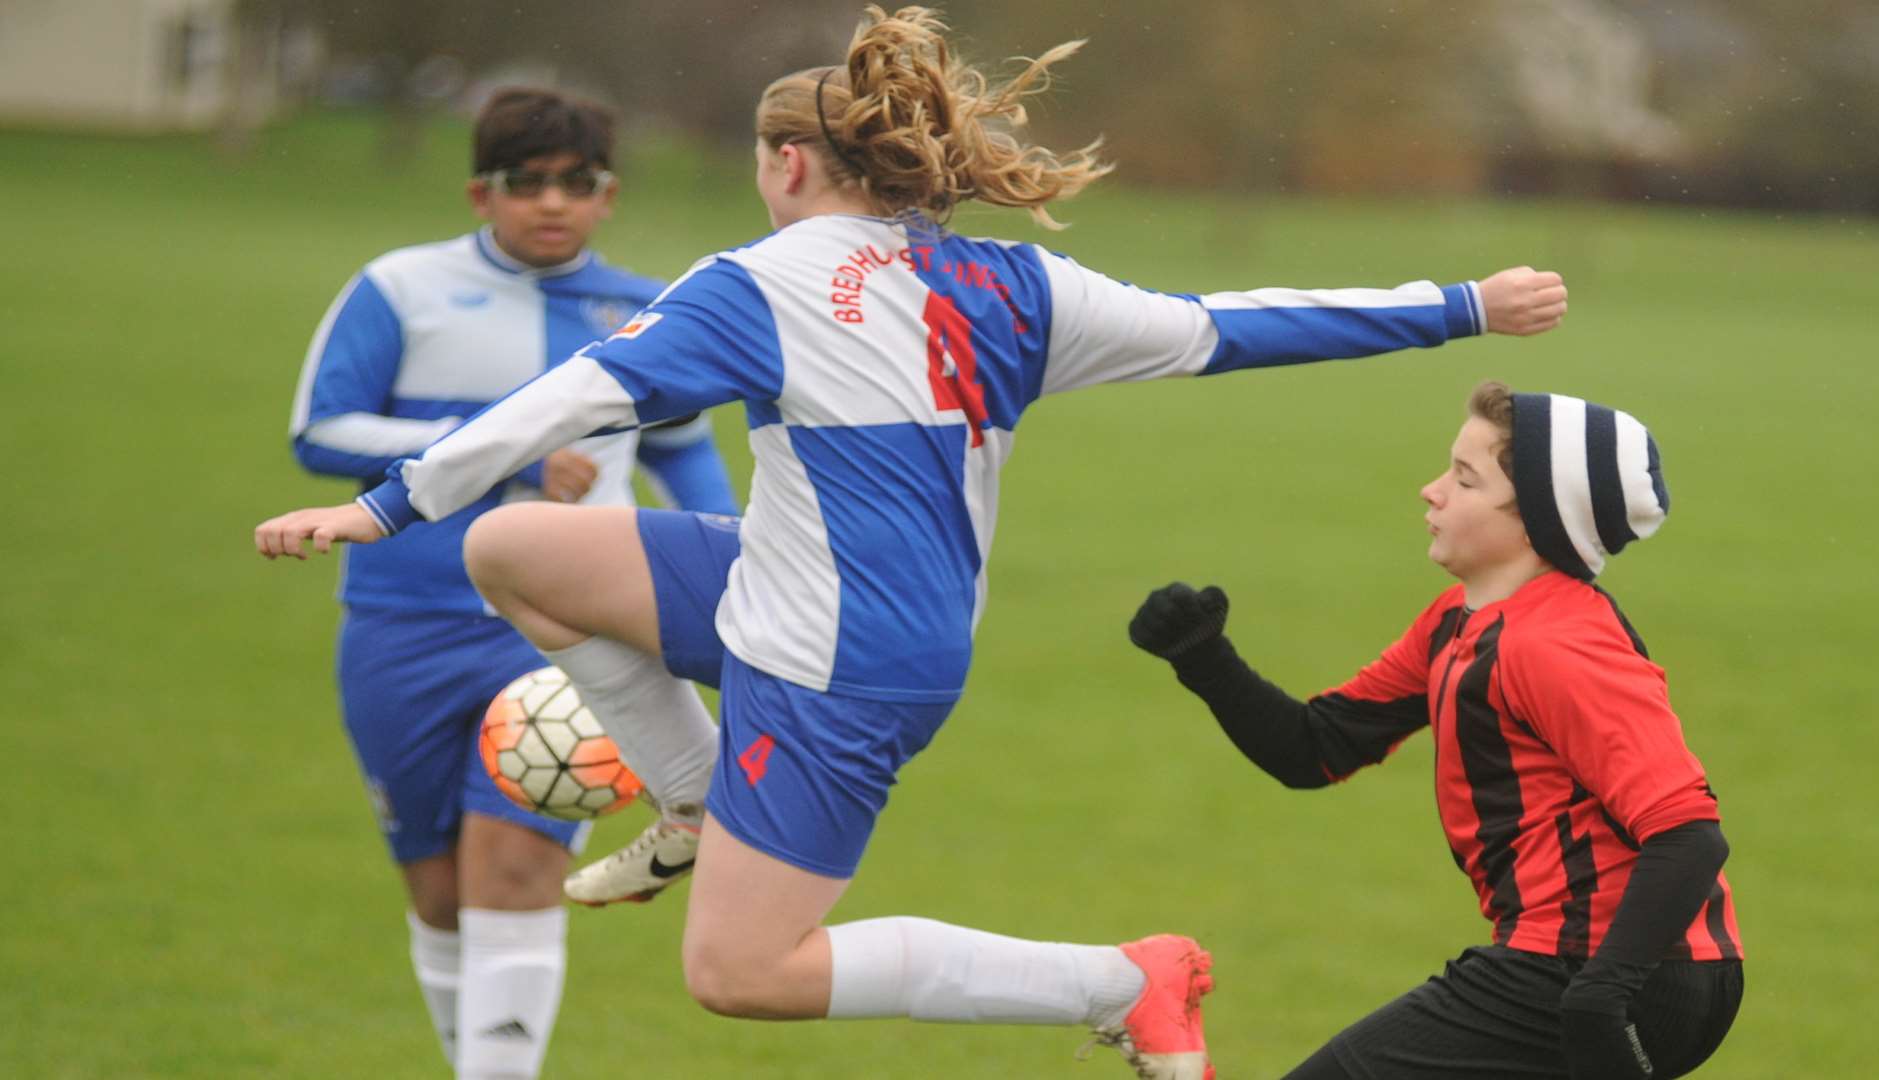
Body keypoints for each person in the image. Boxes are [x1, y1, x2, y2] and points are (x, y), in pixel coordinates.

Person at [256, 8, 1568, 1077]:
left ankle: (1125, 981)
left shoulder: (758, 280)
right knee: (520, 552)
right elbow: (1234, 326)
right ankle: (696, 796)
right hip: (810, 597)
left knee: (738, 974)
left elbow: (573, 398)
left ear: (785, 166)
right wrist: (1458, 304)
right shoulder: (1018, 283)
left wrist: (379, 506)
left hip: (841, 666)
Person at [285, 86, 738, 1080]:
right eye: (525, 184)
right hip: (398, 626)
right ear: (478, 193)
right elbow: (321, 433)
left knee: (518, 864)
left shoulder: (647, 312)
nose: (552, 203)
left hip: (560, 634)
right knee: (441, 895)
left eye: (577, 184)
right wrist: (484, 450)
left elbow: (690, 458)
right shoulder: (399, 288)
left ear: (609, 196)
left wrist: (742, 564)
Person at [1128, 380, 1743, 1079]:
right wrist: (1205, 658)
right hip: (1587, 970)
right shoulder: (1458, 621)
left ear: (1535, 518)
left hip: (1612, 972)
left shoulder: (1557, 644)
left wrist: (1600, 996)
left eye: (1464, 478)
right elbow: (1316, 747)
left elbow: (1689, 834)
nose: (1432, 491)